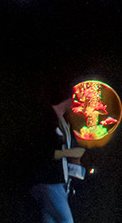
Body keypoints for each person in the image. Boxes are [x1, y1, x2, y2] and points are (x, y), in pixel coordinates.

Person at [27, 86, 86, 223]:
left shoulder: (63, 121)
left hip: (58, 182)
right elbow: (43, 151)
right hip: (50, 181)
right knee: (66, 221)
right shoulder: (47, 117)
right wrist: (68, 153)